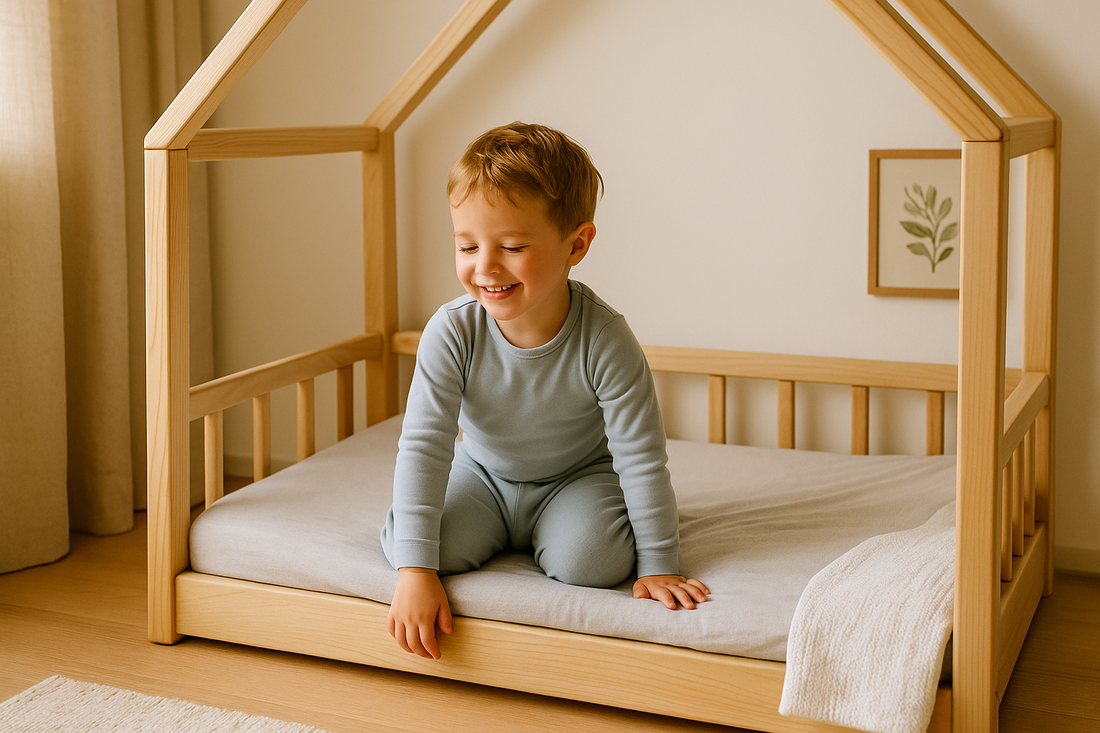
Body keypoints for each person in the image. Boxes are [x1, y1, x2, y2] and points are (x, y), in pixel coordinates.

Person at [380, 122, 709, 659]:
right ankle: (432, 536)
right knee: (417, 547)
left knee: (594, 563)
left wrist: (660, 563)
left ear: (576, 244)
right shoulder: (453, 330)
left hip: (574, 478)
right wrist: (415, 572)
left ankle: (554, 531)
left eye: (511, 245)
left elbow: (641, 457)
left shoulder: (604, 338)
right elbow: (425, 444)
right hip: (482, 472)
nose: (484, 266)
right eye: (467, 246)